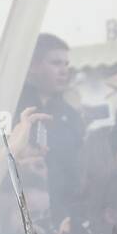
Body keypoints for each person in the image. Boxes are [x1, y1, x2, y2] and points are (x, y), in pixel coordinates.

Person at [17, 33, 85, 223]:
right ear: (33, 66)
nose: (64, 71)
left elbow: (77, 170)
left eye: (66, 64)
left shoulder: (71, 116)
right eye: (56, 63)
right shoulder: (12, 108)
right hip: (24, 213)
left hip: (65, 213)